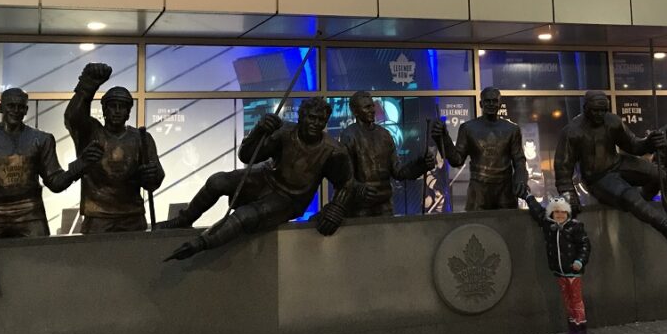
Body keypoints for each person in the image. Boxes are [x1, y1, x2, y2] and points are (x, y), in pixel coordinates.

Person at [162, 97, 364, 261]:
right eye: (312, 118)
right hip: (266, 177)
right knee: (218, 181)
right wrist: (259, 130)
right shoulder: (285, 132)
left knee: (246, 215)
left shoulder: (333, 151)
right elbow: (248, 156)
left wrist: (336, 208)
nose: (316, 124)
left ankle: (200, 245)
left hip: (291, 198)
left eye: (321, 120)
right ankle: (184, 219)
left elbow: (346, 184)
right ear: (302, 116)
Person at [0, 88, 101, 239]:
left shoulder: (41, 140)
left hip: (29, 212)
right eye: (11, 106)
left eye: (21, 107)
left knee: (40, 258)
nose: (16, 110)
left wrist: (81, 165)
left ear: (26, 110)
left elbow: (55, 182)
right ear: (1, 108)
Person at [554, 91, 667, 250]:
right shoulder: (572, 131)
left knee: (659, 174)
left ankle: (639, 204)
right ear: (585, 108)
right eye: (595, 110)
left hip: (618, 164)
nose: (600, 114)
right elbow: (563, 168)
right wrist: (569, 194)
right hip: (597, 177)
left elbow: (633, 145)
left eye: (603, 110)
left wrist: (649, 142)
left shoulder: (612, 121)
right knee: (629, 196)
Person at [65, 63, 164, 233]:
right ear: (104, 109)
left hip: (132, 216)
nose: (117, 111)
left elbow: (156, 179)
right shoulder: (91, 132)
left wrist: (151, 175)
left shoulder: (141, 138)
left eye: (123, 106)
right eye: (112, 106)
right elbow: (73, 117)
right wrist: (86, 88)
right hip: (98, 216)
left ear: (128, 112)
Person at [431, 87, 528, 211]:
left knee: (506, 227)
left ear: (500, 103)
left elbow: (519, 160)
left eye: (494, 101)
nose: (491, 104)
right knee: (476, 228)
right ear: (481, 103)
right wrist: (443, 138)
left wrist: (520, 179)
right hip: (478, 190)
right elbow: (457, 160)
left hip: (505, 189)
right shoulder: (468, 128)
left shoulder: (512, 130)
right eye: (487, 101)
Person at [340, 91, 433, 217]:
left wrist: (420, 165)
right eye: (367, 107)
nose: (373, 110)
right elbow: (344, 177)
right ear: (355, 112)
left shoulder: (384, 135)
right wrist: (359, 188)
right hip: (361, 206)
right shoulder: (349, 135)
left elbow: (398, 172)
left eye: (372, 106)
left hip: (385, 204)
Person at [525, 193, 591, 334]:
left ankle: (581, 330)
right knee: (568, 301)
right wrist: (528, 197)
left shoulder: (574, 227)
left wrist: (580, 261)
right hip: (560, 271)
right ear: (552, 213)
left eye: (562, 212)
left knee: (576, 301)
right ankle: (573, 328)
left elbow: (585, 246)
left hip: (573, 272)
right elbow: (538, 212)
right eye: (556, 212)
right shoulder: (550, 226)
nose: (559, 215)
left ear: (567, 212)